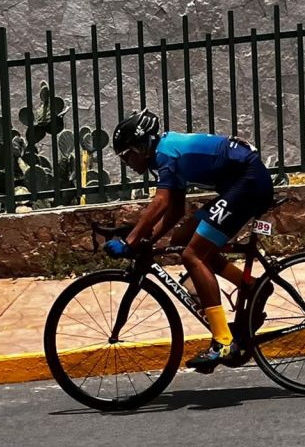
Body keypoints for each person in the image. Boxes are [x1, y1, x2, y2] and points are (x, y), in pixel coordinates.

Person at [103, 108, 274, 372]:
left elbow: (160, 202)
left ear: (139, 147)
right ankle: (248, 285)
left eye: (126, 155)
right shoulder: (167, 152)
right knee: (183, 237)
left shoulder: (165, 154)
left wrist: (131, 241)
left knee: (192, 255)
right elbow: (175, 211)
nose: (126, 162)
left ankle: (223, 341)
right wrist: (150, 239)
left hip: (248, 182)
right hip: (241, 182)